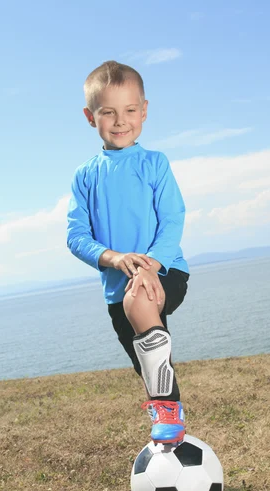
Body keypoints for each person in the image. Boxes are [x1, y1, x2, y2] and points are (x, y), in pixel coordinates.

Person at [67, 60, 189, 445]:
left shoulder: (155, 163)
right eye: (109, 113)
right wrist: (115, 258)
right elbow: (76, 236)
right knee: (151, 367)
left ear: (145, 110)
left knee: (139, 294)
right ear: (91, 117)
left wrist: (149, 264)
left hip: (167, 271)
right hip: (115, 290)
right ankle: (172, 425)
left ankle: (167, 416)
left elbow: (173, 220)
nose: (121, 121)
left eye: (130, 110)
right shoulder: (86, 175)